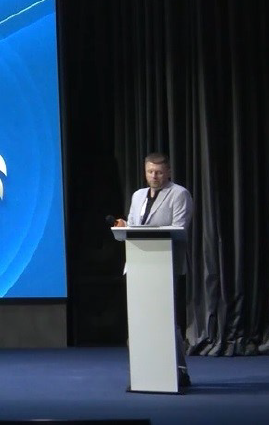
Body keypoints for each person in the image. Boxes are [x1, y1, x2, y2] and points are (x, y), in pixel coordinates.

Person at [114, 152, 194, 387]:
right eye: (150, 172)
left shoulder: (179, 194)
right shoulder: (138, 195)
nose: (154, 176)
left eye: (159, 172)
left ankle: (178, 371)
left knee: (167, 320)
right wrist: (125, 226)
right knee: (140, 320)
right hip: (139, 265)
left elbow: (180, 229)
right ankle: (143, 371)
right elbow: (134, 226)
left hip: (166, 266)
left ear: (168, 172)